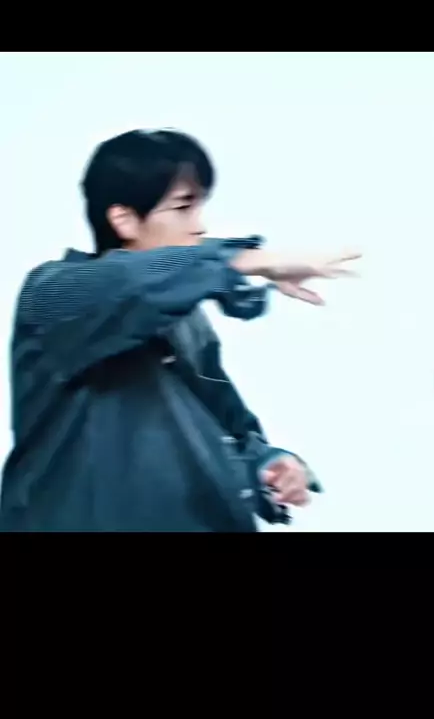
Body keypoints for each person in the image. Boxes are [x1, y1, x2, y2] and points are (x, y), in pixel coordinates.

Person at [0, 129, 361, 532]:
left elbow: (227, 428)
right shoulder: (54, 296)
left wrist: (269, 466)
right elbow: (128, 283)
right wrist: (244, 261)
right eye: (184, 207)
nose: (200, 225)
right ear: (124, 219)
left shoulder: (187, 321)